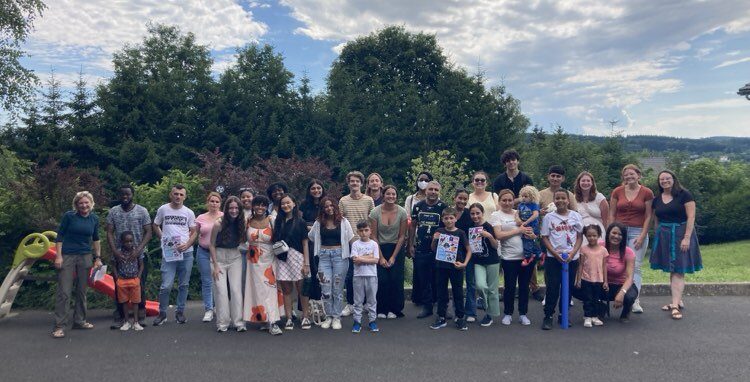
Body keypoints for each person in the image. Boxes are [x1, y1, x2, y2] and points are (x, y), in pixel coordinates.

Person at [650, 170, 702, 320]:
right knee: (672, 269)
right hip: (665, 235)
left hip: (681, 234)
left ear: (673, 179)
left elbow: (691, 216)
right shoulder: (657, 199)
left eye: (668, 178)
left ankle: (675, 306)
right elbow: (656, 219)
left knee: (679, 269)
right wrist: (657, 236)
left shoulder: (685, 194)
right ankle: (677, 300)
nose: (665, 181)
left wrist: (686, 238)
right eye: (662, 179)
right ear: (659, 182)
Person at [52, 191, 103, 338]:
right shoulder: (69, 216)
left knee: (82, 290)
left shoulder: (94, 218)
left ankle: (79, 321)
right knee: (64, 292)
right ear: (76, 204)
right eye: (81, 203)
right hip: (67, 255)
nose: (84, 205)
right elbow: (60, 237)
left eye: (86, 202)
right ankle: (59, 326)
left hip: (85, 256)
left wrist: (98, 257)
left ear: (91, 203)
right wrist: (58, 256)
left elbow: (96, 238)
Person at [608, 164, 653, 314]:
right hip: (618, 232)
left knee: (636, 266)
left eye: (632, 174)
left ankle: (634, 299)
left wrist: (642, 235)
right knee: (614, 262)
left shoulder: (647, 192)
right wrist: (610, 232)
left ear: (638, 175)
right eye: (626, 175)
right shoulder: (617, 191)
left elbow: (648, 216)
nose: (629, 177)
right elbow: (612, 213)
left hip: (637, 231)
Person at [106, 184, 152, 329]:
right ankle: (120, 316)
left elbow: (149, 231)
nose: (125, 197)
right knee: (119, 286)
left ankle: (141, 316)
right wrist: (115, 251)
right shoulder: (113, 211)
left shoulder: (142, 211)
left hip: (138, 255)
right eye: (122, 195)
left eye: (128, 194)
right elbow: (109, 232)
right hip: (120, 256)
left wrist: (139, 250)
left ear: (133, 195)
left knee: (140, 285)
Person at [152, 184, 197, 326]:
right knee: (166, 285)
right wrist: (163, 238)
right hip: (169, 253)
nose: (178, 197)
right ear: (171, 195)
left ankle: (180, 312)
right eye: (176, 194)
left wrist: (188, 244)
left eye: (181, 194)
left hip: (186, 253)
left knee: (183, 284)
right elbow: (155, 225)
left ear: (185, 196)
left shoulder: (189, 212)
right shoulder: (163, 209)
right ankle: (162, 313)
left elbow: (194, 231)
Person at [308, 196, 355, 330]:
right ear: (322, 209)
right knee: (325, 287)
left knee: (337, 288)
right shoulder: (318, 223)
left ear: (335, 206)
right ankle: (328, 316)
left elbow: (351, 239)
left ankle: (336, 317)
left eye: (331, 206)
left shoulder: (344, 222)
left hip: (340, 256)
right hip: (324, 257)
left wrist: (357, 254)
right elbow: (311, 236)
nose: (329, 208)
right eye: (326, 207)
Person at [540, 189, 583, 330]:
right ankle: (548, 316)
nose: (560, 201)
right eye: (557, 198)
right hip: (554, 258)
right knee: (552, 287)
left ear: (568, 200)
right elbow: (545, 237)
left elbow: (579, 237)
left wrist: (572, 254)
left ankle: (563, 315)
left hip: (571, 258)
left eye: (563, 198)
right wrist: (554, 253)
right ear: (554, 200)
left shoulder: (576, 216)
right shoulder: (549, 217)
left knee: (568, 287)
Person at [491, 189, 535, 326]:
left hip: (526, 257)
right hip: (509, 258)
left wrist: (532, 234)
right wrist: (519, 230)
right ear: (499, 202)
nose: (507, 203)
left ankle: (523, 314)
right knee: (509, 287)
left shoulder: (519, 212)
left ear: (514, 200)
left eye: (510, 200)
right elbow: (499, 235)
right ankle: (508, 313)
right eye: (504, 200)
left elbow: (530, 229)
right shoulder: (496, 215)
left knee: (524, 287)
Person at [244, 195, 283, 335]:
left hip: (269, 258)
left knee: (270, 290)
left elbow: (280, 236)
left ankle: (272, 321)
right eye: (257, 205)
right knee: (257, 290)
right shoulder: (247, 220)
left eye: (263, 205)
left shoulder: (272, 220)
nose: (260, 207)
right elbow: (241, 237)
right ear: (253, 206)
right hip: (253, 260)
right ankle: (263, 318)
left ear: (267, 207)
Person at [338, 171, 375, 317]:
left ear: (361, 183)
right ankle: (351, 304)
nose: (354, 183)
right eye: (351, 181)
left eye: (357, 181)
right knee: (350, 275)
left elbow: (372, 221)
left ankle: (366, 303)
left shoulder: (368, 200)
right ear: (348, 183)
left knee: (366, 274)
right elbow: (340, 221)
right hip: (349, 242)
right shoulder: (343, 201)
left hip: (365, 242)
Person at [430, 207, 472, 330]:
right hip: (441, 266)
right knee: (441, 292)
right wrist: (434, 239)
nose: (449, 221)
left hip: (456, 266)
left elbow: (469, 249)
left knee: (458, 292)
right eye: (446, 218)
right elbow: (433, 249)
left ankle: (460, 317)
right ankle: (441, 317)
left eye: (451, 218)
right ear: (442, 219)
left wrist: (465, 263)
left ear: (455, 219)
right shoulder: (439, 231)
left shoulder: (460, 233)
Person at [273, 194, 311, 330]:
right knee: (286, 289)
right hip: (282, 258)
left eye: (288, 203)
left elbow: (305, 243)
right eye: (283, 203)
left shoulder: (300, 221)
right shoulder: (278, 221)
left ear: (294, 204)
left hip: (298, 257)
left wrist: (306, 263)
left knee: (302, 289)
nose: (285, 205)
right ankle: (288, 317)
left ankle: (305, 316)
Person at [369, 185, 408, 319]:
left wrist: (393, 257)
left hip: (396, 248)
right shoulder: (375, 212)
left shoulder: (402, 212)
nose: (391, 196)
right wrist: (381, 257)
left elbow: (402, 236)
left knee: (396, 279)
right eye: (388, 194)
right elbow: (373, 236)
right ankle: (381, 308)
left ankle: (395, 309)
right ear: (383, 195)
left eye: (393, 194)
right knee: (382, 279)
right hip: (379, 247)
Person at [409, 181, 446, 318]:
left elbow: (449, 224)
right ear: (426, 190)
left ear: (439, 192)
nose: (433, 192)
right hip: (421, 248)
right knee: (424, 280)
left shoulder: (443, 207)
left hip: (439, 249)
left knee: (440, 280)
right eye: (431, 189)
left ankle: (442, 309)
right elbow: (413, 226)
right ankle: (427, 307)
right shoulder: (418, 207)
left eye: (436, 190)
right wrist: (411, 244)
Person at [209, 196, 246, 332]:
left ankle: (238, 322)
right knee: (221, 291)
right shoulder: (218, 224)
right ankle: (223, 323)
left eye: (236, 208)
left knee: (236, 290)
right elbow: (211, 245)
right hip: (218, 257)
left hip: (235, 257)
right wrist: (215, 265)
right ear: (226, 209)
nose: (234, 210)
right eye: (231, 208)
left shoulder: (242, 222)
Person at [467, 203, 499, 326]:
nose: (475, 216)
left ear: (482, 213)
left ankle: (489, 315)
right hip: (478, 262)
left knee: (492, 289)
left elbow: (496, 246)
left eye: (477, 213)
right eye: (472, 213)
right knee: (480, 286)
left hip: (492, 261)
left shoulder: (488, 226)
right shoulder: (470, 228)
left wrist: (489, 236)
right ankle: (487, 307)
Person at [195, 192, 223, 323]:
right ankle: (208, 309)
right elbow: (194, 234)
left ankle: (219, 307)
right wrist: (186, 245)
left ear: (220, 204)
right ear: (208, 202)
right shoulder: (201, 217)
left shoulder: (224, 216)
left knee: (219, 281)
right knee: (207, 281)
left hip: (219, 253)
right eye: (212, 201)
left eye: (217, 202)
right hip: (203, 252)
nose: (214, 204)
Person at [602, 222, 638, 322]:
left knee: (629, 296)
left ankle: (626, 312)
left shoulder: (628, 252)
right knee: (578, 289)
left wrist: (622, 293)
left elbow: (630, 277)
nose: (616, 236)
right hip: (603, 284)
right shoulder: (600, 246)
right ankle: (600, 307)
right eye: (614, 233)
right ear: (608, 233)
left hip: (621, 285)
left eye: (620, 234)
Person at [575, 225, 608, 328]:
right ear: (585, 236)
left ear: (598, 235)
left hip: (599, 279)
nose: (592, 238)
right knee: (587, 298)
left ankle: (595, 316)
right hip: (586, 278)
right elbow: (580, 265)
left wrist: (606, 281)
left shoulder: (603, 250)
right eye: (589, 236)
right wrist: (578, 279)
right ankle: (587, 316)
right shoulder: (583, 249)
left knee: (596, 298)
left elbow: (604, 266)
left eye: (594, 235)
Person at [351, 220, 381, 333]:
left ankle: (372, 321)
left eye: (366, 230)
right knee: (358, 300)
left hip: (372, 275)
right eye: (361, 231)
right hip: (358, 276)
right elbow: (355, 260)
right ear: (357, 232)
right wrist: (369, 257)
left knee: (372, 300)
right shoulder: (355, 244)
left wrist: (361, 258)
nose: (364, 233)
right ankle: (357, 322)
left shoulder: (374, 244)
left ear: (370, 231)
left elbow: (376, 260)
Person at [299, 179, 326, 302]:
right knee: (311, 271)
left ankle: (323, 304)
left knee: (322, 272)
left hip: (324, 241)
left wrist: (313, 226)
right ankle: (309, 305)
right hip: (308, 242)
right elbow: (299, 222)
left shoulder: (327, 203)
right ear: (309, 191)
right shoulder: (304, 205)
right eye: (313, 188)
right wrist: (312, 227)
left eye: (318, 188)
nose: (316, 190)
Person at [453, 188, 476, 322]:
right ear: (454, 198)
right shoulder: (449, 212)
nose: (462, 201)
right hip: (453, 253)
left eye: (465, 199)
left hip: (468, 252)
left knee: (471, 283)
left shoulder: (470, 214)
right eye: (459, 198)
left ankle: (471, 312)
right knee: (456, 284)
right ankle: (458, 312)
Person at [113, 231, 144, 331]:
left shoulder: (137, 251)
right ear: (122, 242)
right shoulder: (118, 252)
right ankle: (126, 322)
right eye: (126, 242)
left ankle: (136, 322)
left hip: (134, 279)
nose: (129, 243)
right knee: (124, 302)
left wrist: (138, 277)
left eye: (131, 241)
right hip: (122, 280)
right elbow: (113, 265)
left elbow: (142, 264)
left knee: (136, 301)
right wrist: (117, 278)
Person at [515, 185, 542, 267]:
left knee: (528, 240)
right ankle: (539, 254)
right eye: (522, 196)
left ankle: (528, 257)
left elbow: (535, 215)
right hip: (524, 226)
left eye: (526, 196)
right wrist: (518, 219)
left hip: (532, 226)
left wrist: (526, 222)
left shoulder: (534, 205)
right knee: (528, 241)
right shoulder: (520, 205)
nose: (523, 198)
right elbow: (517, 213)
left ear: (532, 196)